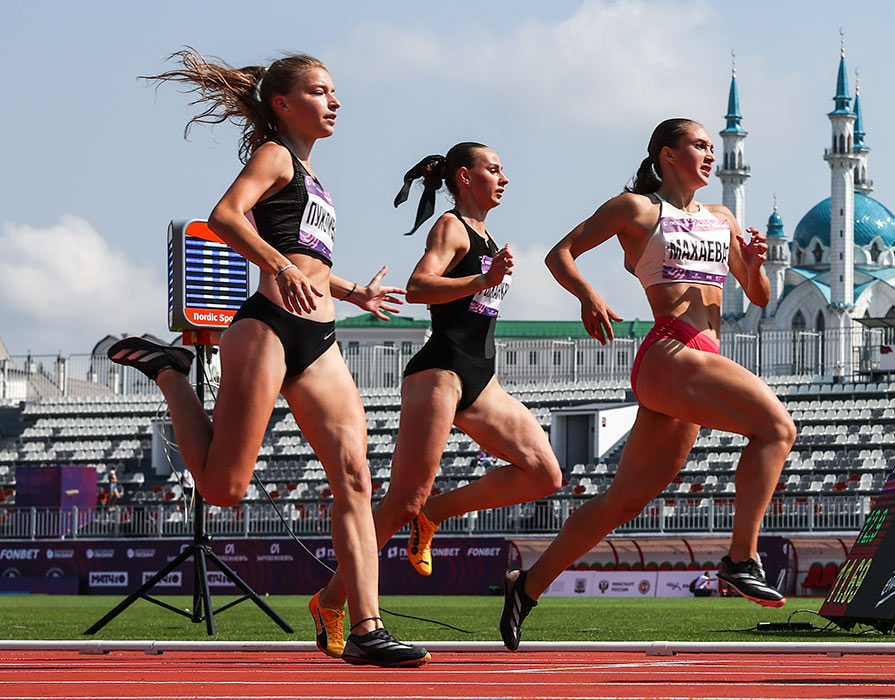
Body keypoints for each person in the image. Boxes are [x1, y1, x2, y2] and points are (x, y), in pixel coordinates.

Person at [107, 49, 428, 668]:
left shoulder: (316, 180)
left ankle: (366, 627)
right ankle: (173, 374)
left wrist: (353, 291)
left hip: (321, 341)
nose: (334, 102)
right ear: (283, 104)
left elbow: (309, 263)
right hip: (268, 329)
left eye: (335, 92)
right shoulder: (276, 156)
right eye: (320, 92)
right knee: (224, 489)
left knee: (356, 479)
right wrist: (277, 265)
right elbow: (224, 216)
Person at [499, 118, 797, 649]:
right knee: (777, 428)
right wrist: (588, 295)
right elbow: (559, 254)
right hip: (671, 350)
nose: (711, 155)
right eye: (700, 146)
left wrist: (752, 267)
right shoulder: (636, 208)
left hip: (701, 359)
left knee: (622, 503)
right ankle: (740, 558)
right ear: (667, 154)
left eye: (712, 146)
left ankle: (527, 587)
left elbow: (758, 297)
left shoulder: (722, 216)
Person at [312, 142, 563, 630]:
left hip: (480, 376)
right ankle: (330, 600)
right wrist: (480, 280)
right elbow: (420, 286)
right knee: (400, 502)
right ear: (465, 178)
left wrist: (487, 276)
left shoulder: (490, 239)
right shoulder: (451, 227)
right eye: (494, 169)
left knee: (544, 474)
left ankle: (434, 515)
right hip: (441, 371)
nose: (504, 178)